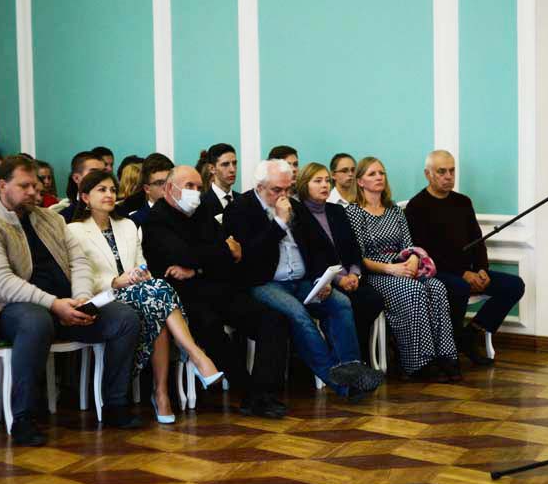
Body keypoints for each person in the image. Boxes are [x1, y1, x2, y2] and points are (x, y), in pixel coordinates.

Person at [0, 157, 143, 446]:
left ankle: (115, 403)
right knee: (36, 322)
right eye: (24, 186)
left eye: (35, 186)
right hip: (11, 309)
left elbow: (79, 262)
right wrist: (54, 304)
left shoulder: (52, 219)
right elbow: (2, 283)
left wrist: (82, 298)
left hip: (68, 304)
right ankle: (23, 418)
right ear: (3, 186)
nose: (33, 192)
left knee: (125, 318)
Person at [69, 170, 222, 422]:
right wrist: (114, 281)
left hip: (138, 291)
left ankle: (162, 392)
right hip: (104, 295)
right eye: (102, 190)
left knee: (156, 301)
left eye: (112, 190)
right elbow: (79, 273)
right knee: (159, 296)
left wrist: (141, 274)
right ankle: (194, 358)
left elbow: (141, 264)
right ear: (85, 197)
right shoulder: (74, 230)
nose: (109, 195)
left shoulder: (127, 225)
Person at [224, 159, 382, 398]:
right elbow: (249, 256)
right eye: (277, 190)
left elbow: (319, 246)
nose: (283, 195)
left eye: (288, 189)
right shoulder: (240, 209)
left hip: (303, 280)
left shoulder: (295, 206)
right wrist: (279, 223)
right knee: (298, 315)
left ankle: (351, 370)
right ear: (260, 187)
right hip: (265, 282)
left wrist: (322, 279)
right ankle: (340, 382)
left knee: (341, 303)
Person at [143, 166, 291, 418]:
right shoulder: (156, 219)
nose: (195, 192)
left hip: (216, 286)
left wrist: (196, 269)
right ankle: (249, 394)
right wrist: (216, 253)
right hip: (182, 297)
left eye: (199, 187)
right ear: (169, 189)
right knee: (211, 328)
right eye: (189, 186)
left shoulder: (201, 211)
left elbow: (233, 254)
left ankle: (264, 392)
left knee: (273, 319)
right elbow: (184, 254)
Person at [405, 150, 525, 366]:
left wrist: (481, 269)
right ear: (427, 174)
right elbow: (426, 252)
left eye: (452, 171)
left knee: (514, 285)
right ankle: (452, 344)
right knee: (459, 286)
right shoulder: (417, 206)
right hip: (437, 272)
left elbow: (477, 240)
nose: (448, 176)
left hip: (468, 271)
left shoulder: (463, 202)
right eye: (441, 172)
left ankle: (471, 333)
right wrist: (463, 273)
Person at [346, 157, 460, 380]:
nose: (379, 177)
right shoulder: (353, 212)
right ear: (360, 182)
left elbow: (409, 245)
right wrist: (391, 269)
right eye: (372, 174)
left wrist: (414, 260)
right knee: (413, 290)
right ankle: (417, 363)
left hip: (404, 267)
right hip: (376, 272)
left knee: (437, 287)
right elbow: (358, 258)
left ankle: (445, 356)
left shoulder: (394, 210)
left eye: (381, 173)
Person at [296, 162, 384, 360]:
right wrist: (338, 279)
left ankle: (357, 358)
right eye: (317, 181)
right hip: (323, 281)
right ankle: (349, 360)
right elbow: (309, 257)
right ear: (304, 185)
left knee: (373, 299)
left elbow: (353, 248)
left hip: (350, 278)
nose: (324, 185)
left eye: (327, 181)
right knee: (350, 304)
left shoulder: (336, 210)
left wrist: (354, 273)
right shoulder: (299, 215)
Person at [54, 151, 106, 222]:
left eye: (104, 173)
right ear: (76, 178)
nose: (102, 177)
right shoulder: (64, 218)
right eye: (94, 173)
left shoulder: (115, 211)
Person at [126, 153, 173, 222]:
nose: (167, 187)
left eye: (169, 181)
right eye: (160, 183)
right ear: (147, 189)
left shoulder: (183, 215)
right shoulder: (134, 220)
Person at [198, 143, 241, 220]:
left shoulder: (243, 200)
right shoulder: (201, 204)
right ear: (212, 169)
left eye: (234, 163)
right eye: (225, 164)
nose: (232, 169)